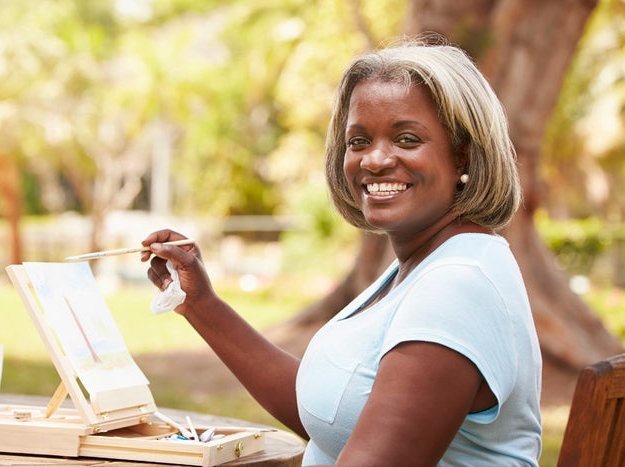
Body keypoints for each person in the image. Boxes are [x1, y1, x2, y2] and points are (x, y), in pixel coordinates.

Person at [141, 34, 542, 466]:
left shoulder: (458, 286)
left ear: (462, 156)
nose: (374, 160)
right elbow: (333, 413)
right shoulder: (428, 264)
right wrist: (201, 304)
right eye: (359, 141)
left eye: (407, 139)